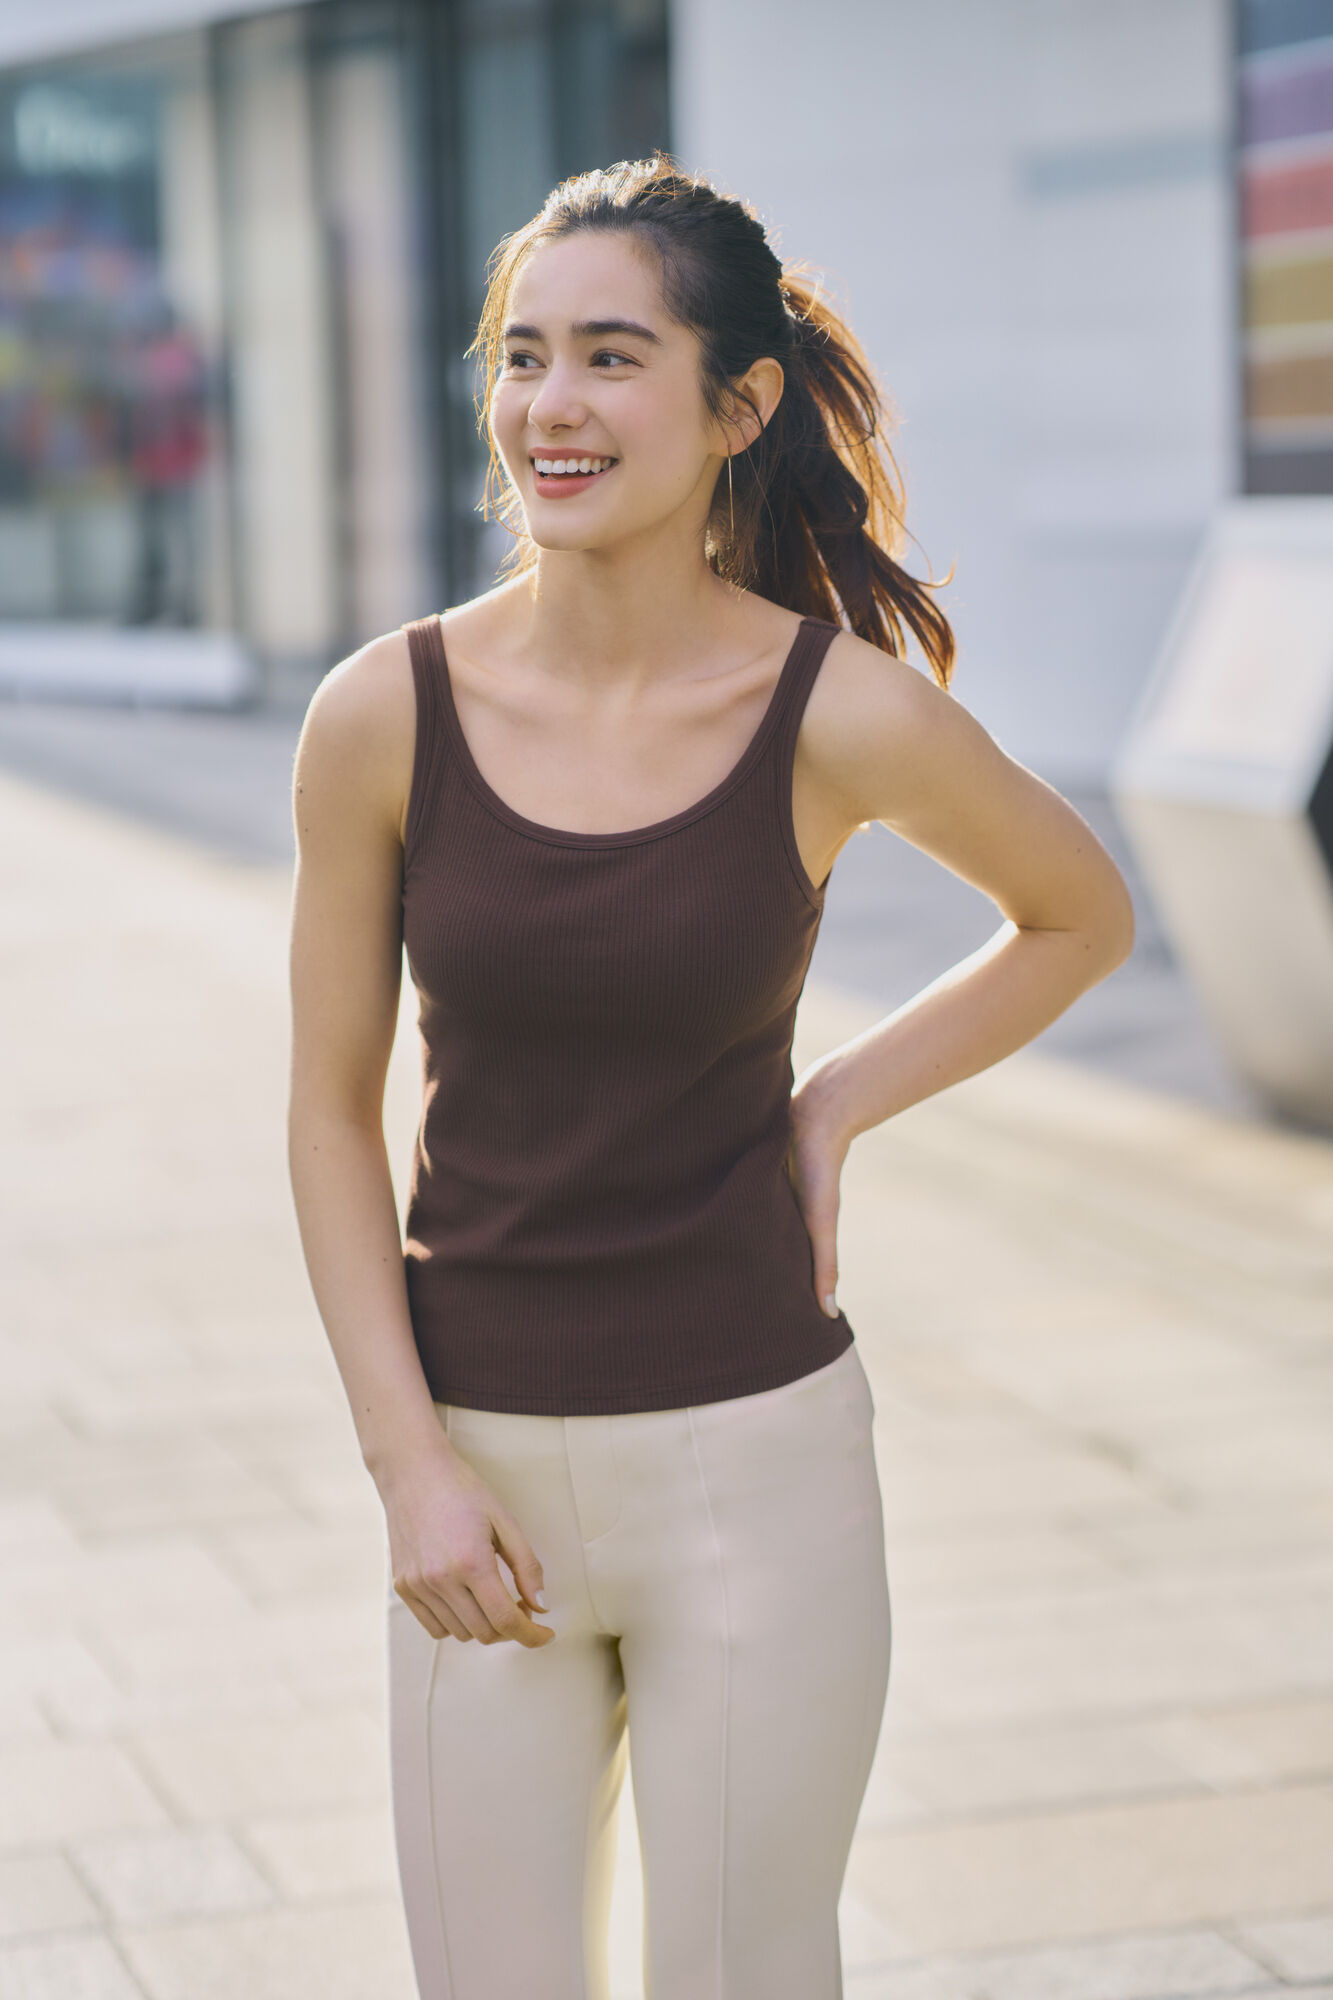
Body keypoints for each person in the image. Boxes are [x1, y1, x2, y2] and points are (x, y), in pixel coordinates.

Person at [286, 154, 1135, 2000]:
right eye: (522, 357)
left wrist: (833, 1102)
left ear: (736, 406)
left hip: (757, 1467)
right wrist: (408, 1468)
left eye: (609, 356)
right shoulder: (380, 716)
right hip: (475, 1486)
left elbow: (1077, 915)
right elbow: (326, 1111)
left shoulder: (835, 711)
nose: (549, 408)